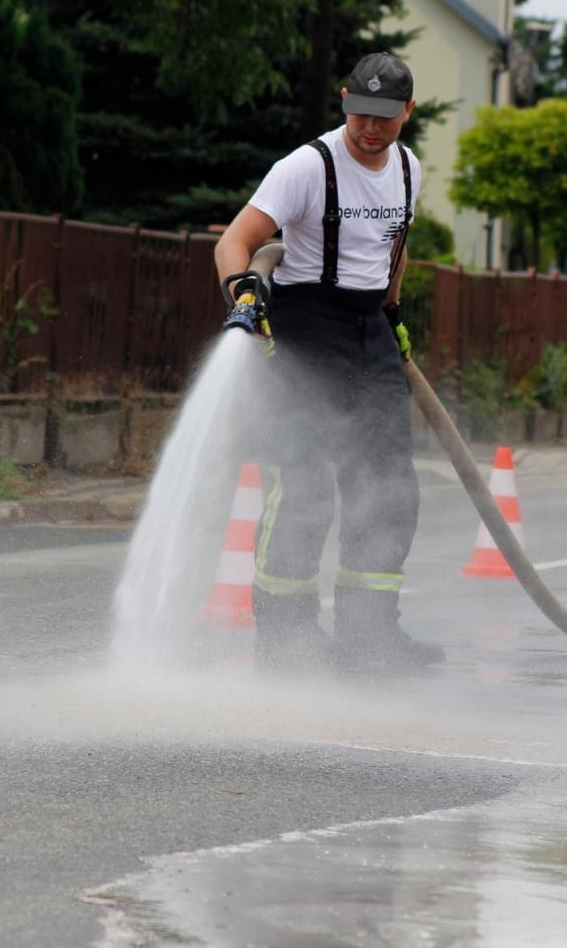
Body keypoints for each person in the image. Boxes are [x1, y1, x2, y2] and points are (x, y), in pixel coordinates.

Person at [213, 53, 441, 674]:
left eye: (385, 117)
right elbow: (234, 242)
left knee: (389, 485)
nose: (371, 127)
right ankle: (285, 642)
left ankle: (369, 639)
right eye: (360, 113)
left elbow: (395, 247)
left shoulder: (407, 168)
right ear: (344, 102)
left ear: (407, 113)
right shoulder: (306, 168)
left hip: (369, 331)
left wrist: (392, 316)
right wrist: (244, 299)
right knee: (304, 488)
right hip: (303, 332)